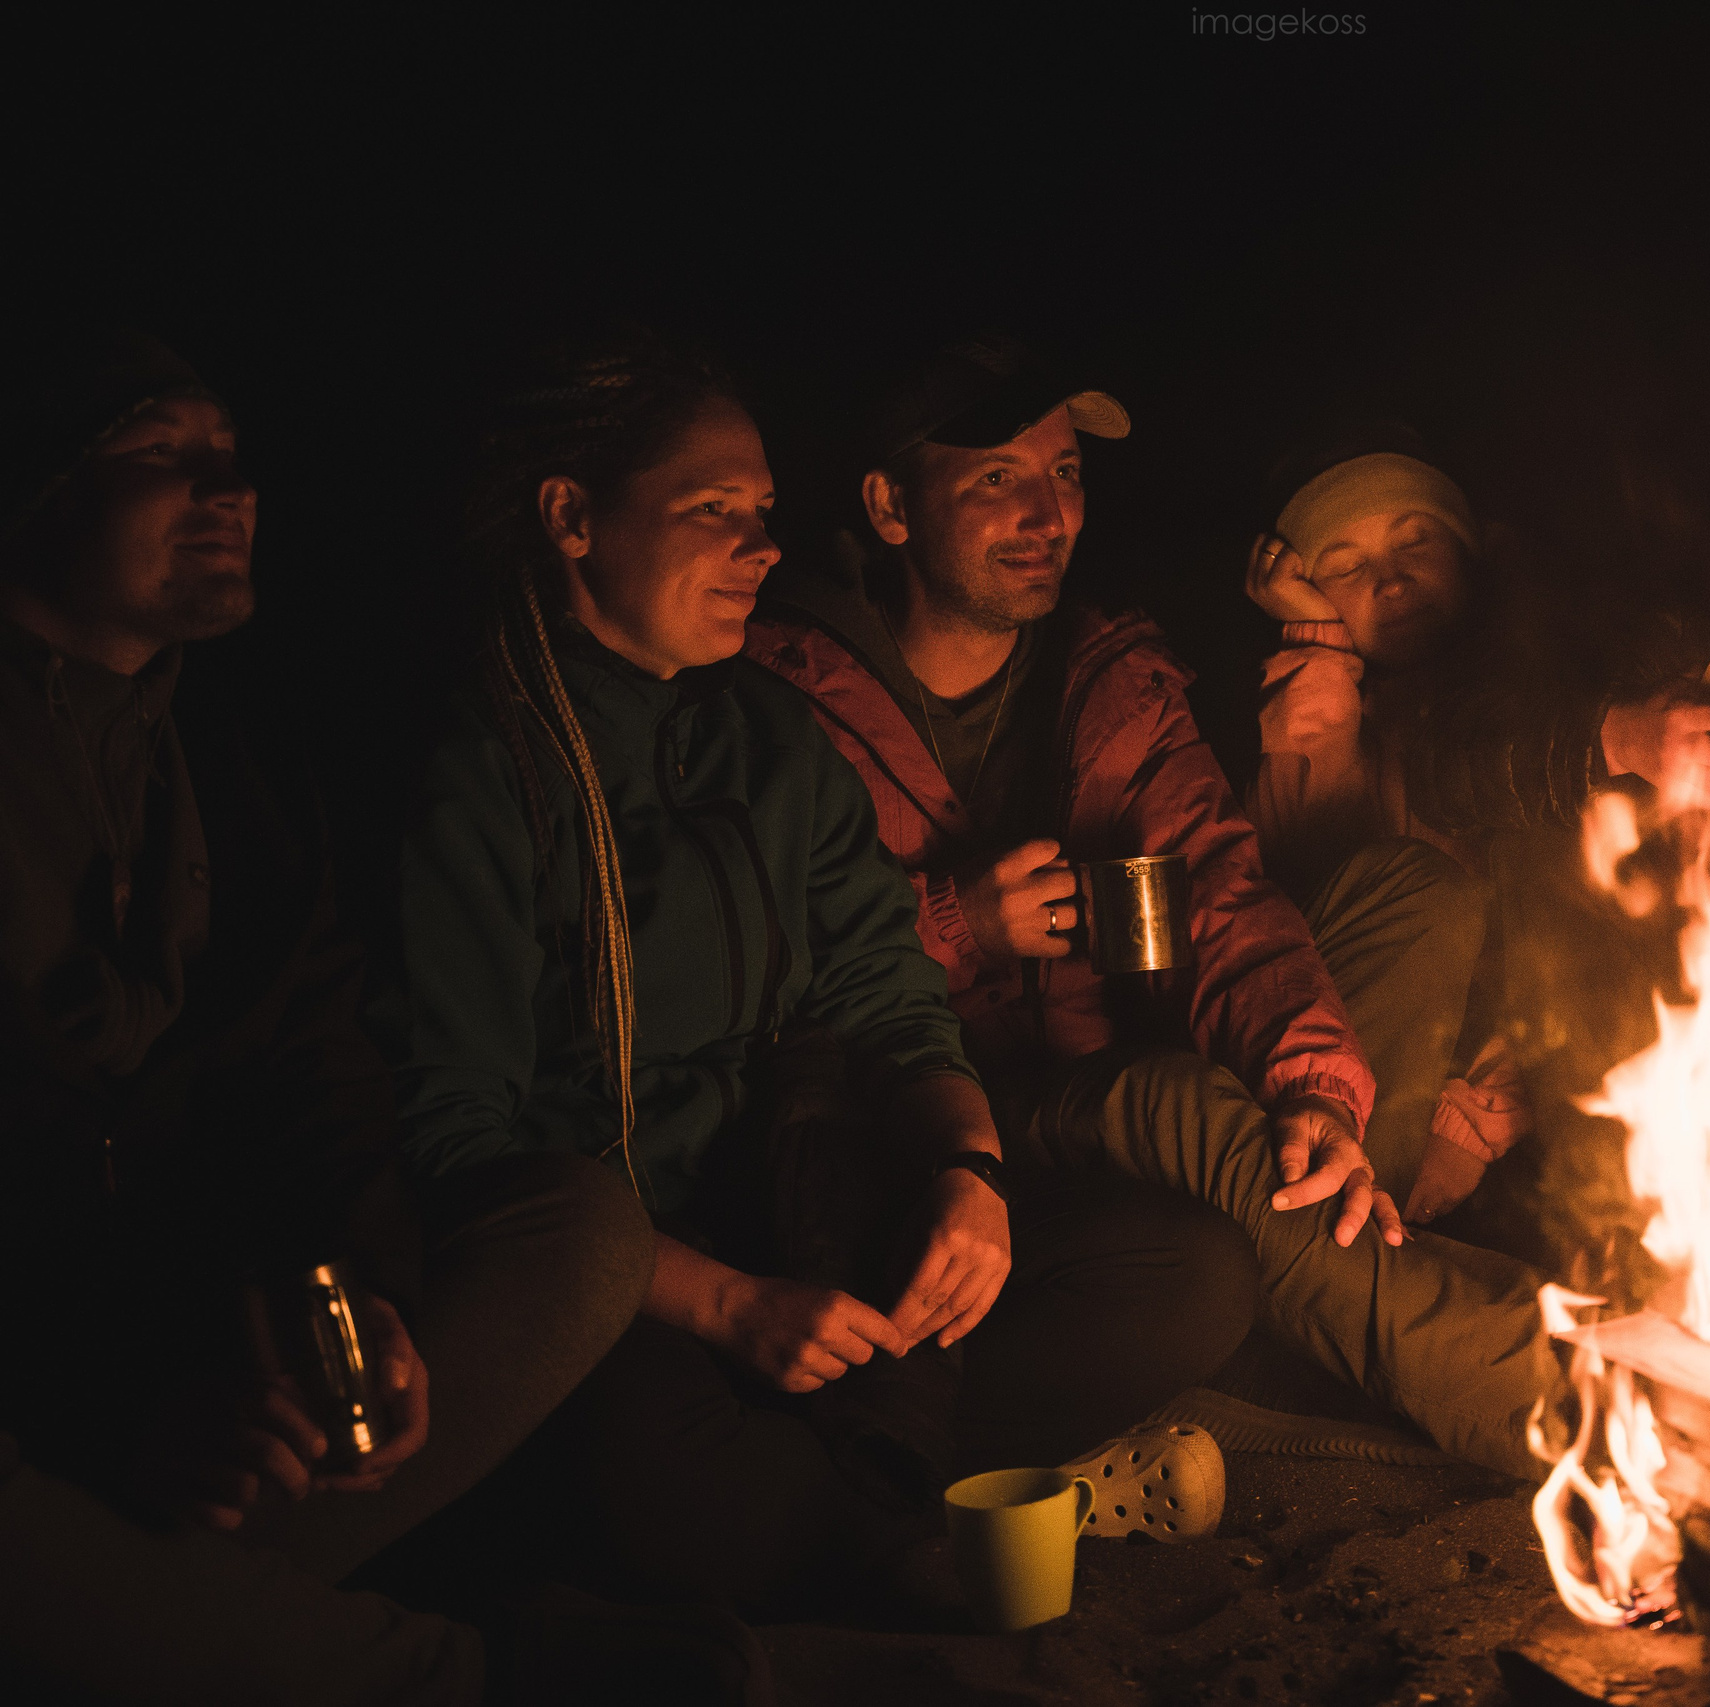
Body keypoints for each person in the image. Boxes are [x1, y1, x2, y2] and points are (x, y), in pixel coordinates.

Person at [377, 331, 1257, 1617]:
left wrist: (969, 1177)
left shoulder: (764, 736)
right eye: (713, 511)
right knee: (647, 1473)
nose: (761, 548)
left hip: (812, 1206)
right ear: (572, 517)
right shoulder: (482, 766)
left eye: (766, 514)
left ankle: (858, 1511)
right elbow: (461, 1140)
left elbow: (886, 994)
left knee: (1184, 1275)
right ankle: (939, 1512)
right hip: (641, 1281)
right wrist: (729, 1307)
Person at [0, 332, 724, 1705]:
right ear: (38, 487)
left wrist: (356, 1298)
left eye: (236, 459)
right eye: (166, 455)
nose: (231, 490)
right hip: (63, 1371)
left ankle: (158, 1617)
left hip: (208, 1352)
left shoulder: (227, 748)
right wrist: (133, 1384)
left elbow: (310, 1065)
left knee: (576, 1231)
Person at [745, 334, 1566, 1478]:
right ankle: (1552, 1392)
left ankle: (1321, 1291)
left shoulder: (1107, 678)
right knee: (1174, 1098)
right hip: (949, 1134)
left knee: (1413, 897)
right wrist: (952, 925)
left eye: (1067, 475)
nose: (1048, 513)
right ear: (889, 505)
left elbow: (1225, 894)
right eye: (998, 479)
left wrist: (1317, 1090)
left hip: (1139, 1085)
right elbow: (749, 977)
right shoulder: (790, 700)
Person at [1241, 427, 1534, 1228]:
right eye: (1343, 564)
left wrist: (1472, 1124)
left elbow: (1559, 939)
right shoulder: (1319, 732)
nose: (1392, 579)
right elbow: (1320, 835)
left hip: (1523, 1128)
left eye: (1418, 541)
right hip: (1351, 1125)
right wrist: (1315, 635)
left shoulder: (1543, 721)